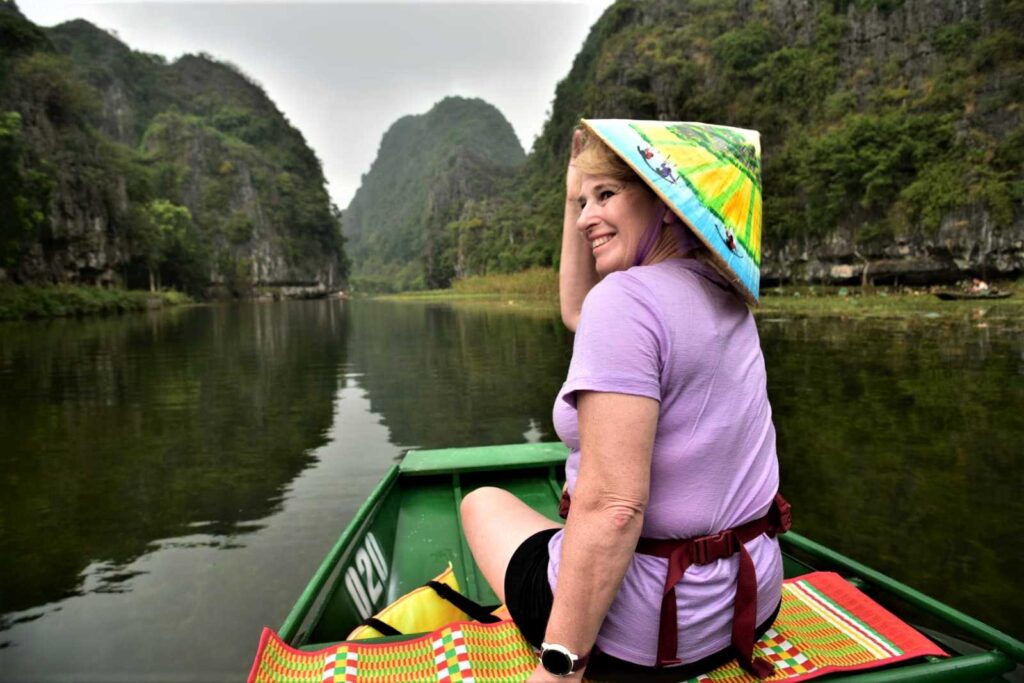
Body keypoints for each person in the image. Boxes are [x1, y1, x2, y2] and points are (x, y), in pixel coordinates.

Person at [461, 119, 786, 681]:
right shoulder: (725, 295)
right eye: (582, 201)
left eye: (605, 195)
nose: (586, 216)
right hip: (749, 606)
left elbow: (614, 508)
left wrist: (561, 665)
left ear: (664, 201)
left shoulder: (626, 301)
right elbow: (575, 312)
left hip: (649, 634)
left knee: (481, 503)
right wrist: (574, 192)